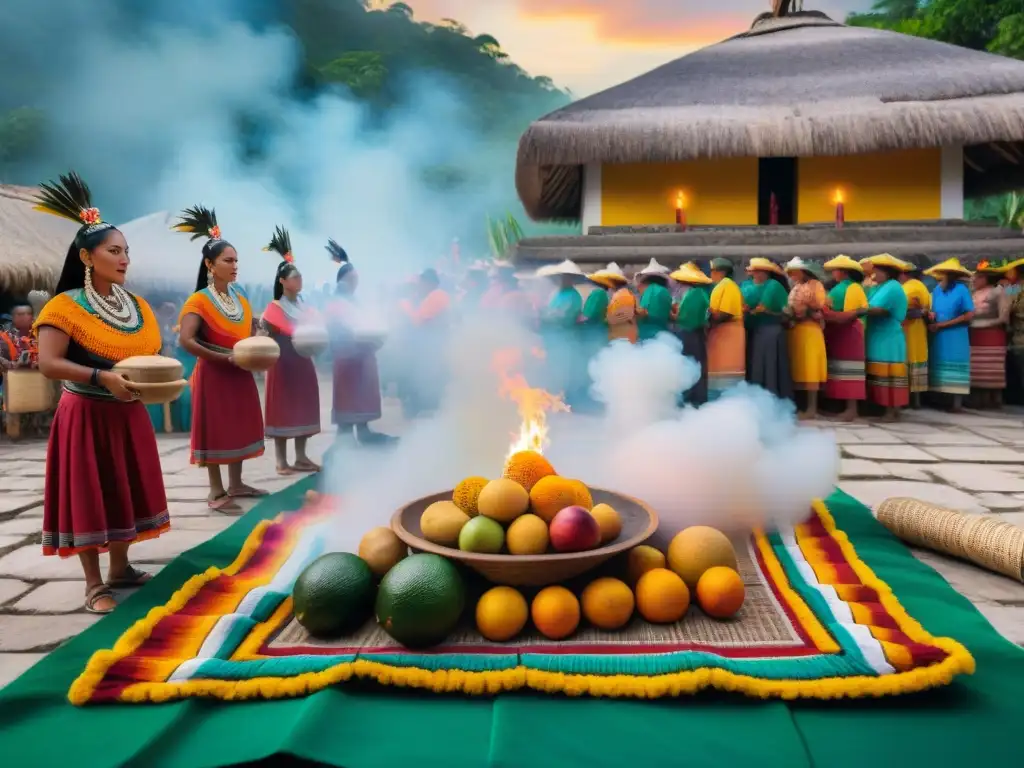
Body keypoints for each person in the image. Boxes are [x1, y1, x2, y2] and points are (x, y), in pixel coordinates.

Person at [32, 172, 168, 614]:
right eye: (114, 251)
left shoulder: (137, 305)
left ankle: (121, 568)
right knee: (89, 491)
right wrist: (100, 378)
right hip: (86, 411)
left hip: (127, 411)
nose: (124, 258)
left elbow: (150, 351)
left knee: (124, 485)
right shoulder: (64, 306)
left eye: (126, 250)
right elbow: (48, 363)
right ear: (88, 257)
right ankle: (94, 583)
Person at [174, 206, 266, 514]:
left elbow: (248, 331)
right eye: (228, 260)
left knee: (239, 426)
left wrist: (257, 337)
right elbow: (185, 340)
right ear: (210, 264)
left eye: (236, 260)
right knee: (215, 430)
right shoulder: (198, 300)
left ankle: (237, 483)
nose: (234, 265)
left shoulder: (239, 298)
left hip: (240, 372)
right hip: (215, 374)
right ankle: (216, 491)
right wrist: (223, 357)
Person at [261, 226, 321, 472]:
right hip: (282, 363)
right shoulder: (274, 307)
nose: (299, 280)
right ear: (282, 281)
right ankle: (281, 460)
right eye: (294, 277)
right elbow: (268, 330)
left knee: (304, 405)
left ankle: (301, 456)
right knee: (283, 409)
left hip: (303, 361)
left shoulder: (306, 306)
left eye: (300, 276)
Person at [327, 241, 394, 444]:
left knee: (363, 402)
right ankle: (344, 442)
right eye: (352, 279)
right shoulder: (336, 303)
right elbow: (340, 330)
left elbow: (366, 323)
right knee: (348, 407)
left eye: (356, 279)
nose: (355, 282)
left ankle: (364, 434)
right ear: (343, 281)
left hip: (362, 357)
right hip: (347, 358)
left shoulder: (355, 301)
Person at [398, 267, 452, 416]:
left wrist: (406, 306)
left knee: (429, 378)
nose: (418, 286)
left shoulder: (437, 296)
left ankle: (425, 409)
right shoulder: (430, 296)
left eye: (421, 283)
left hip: (434, 347)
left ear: (430, 283)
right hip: (429, 346)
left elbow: (418, 321)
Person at [864, 255, 911, 421]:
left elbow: (879, 309)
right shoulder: (879, 286)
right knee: (879, 374)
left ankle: (892, 410)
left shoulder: (893, 287)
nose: (874, 273)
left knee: (890, 375)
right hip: (878, 335)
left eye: (877, 270)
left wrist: (858, 310)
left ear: (887, 272)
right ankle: (885, 408)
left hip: (889, 336)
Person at [925, 257, 975, 412]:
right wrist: (931, 314)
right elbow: (931, 307)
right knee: (939, 364)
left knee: (956, 366)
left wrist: (943, 324)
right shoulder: (937, 290)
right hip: (939, 335)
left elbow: (968, 315)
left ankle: (957, 404)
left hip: (955, 335)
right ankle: (941, 400)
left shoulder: (961, 290)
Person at [822, 255, 868, 420]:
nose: (834, 273)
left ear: (844, 272)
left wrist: (827, 313)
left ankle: (852, 408)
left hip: (849, 332)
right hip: (838, 332)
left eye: (836, 270)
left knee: (851, 369)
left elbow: (850, 314)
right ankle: (840, 406)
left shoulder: (853, 288)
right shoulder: (839, 287)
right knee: (839, 369)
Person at [784, 258, 828, 419]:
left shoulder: (815, 285)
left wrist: (805, 310)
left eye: (793, 273)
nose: (791, 276)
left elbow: (818, 306)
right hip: (797, 330)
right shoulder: (796, 287)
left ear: (801, 272)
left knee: (811, 370)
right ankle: (801, 406)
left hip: (810, 330)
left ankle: (812, 408)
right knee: (799, 368)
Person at [743, 258, 793, 401]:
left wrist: (769, 312)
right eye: (754, 271)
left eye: (759, 271)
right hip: (751, 330)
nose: (755, 274)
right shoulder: (746, 285)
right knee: (755, 365)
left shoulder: (773, 286)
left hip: (771, 329)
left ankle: (773, 398)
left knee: (770, 364)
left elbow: (787, 313)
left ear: (766, 273)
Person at [538, 260, 585, 402]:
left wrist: (544, 316)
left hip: (564, 339)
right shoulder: (558, 294)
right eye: (560, 277)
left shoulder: (573, 296)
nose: (561, 280)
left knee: (562, 371)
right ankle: (553, 399)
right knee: (553, 369)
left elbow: (563, 317)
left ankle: (564, 401)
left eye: (564, 277)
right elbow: (550, 311)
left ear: (571, 278)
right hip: (552, 339)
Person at [668, 262, 711, 405]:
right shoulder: (700, 293)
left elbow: (684, 318)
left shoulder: (693, 294)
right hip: (696, 334)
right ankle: (697, 399)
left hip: (688, 334)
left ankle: (691, 401)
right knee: (697, 365)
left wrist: (671, 315)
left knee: (689, 366)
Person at [969, 261, 1009, 408]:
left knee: (992, 370)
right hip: (975, 336)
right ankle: (978, 399)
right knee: (977, 370)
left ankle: (995, 400)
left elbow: (1003, 317)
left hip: (993, 335)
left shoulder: (998, 291)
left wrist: (983, 324)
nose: (974, 280)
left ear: (986, 278)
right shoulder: (973, 293)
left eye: (978, 277)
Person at [706, 257, 746, 400]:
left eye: (713, 270)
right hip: (720, 334)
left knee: (727, 371)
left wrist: (707, 314)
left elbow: (725, 313)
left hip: (729, 335)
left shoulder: (728, 285)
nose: (711, 273)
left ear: (722, 271)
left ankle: (728, 404)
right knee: (716, 371)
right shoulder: (720, 285)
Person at [898, 262, 932, 408]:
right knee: (917, 361)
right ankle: (916, 401)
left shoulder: (909, 287)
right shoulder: (922, 287)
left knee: (906, 360)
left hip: (908, 328)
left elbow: (904, 308)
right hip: (919, 329)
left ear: (904, 274)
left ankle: (906, 400)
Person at [635, 258, 673, 342]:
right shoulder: (665, 292)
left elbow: (644, 312)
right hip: (664, 334)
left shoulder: (651, 290)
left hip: (648, 335)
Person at [602, 263, 638, 343]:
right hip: (621, 335)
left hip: (623, 336)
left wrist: (607, 319)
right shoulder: (616, 293)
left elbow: (626, 315)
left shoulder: (623, 294)